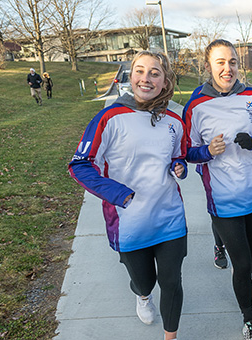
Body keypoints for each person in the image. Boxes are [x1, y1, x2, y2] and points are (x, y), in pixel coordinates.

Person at [68, 51, 187, 340]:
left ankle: (170, 336)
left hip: (170, 214)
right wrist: (118, 193)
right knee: (145, 281)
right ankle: (142, 295)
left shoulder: (174, 119)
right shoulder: (109, 117)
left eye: (155, 73)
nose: (146, 78)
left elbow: (176, 154)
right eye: (140, 71)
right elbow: (80, 165)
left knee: (171, 281)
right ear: (131, 76)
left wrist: (178, 165)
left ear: (165, 80)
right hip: (128, 219)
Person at [183, 39, 252, 340]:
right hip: (224, 200)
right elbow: (187, 151)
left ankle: (229, 250)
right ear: (208, 66)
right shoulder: (196, 105)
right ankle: (249, 318)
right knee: (241, 264)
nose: (228, 68)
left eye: (233, 62)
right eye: (221, 62)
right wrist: (208, 151)